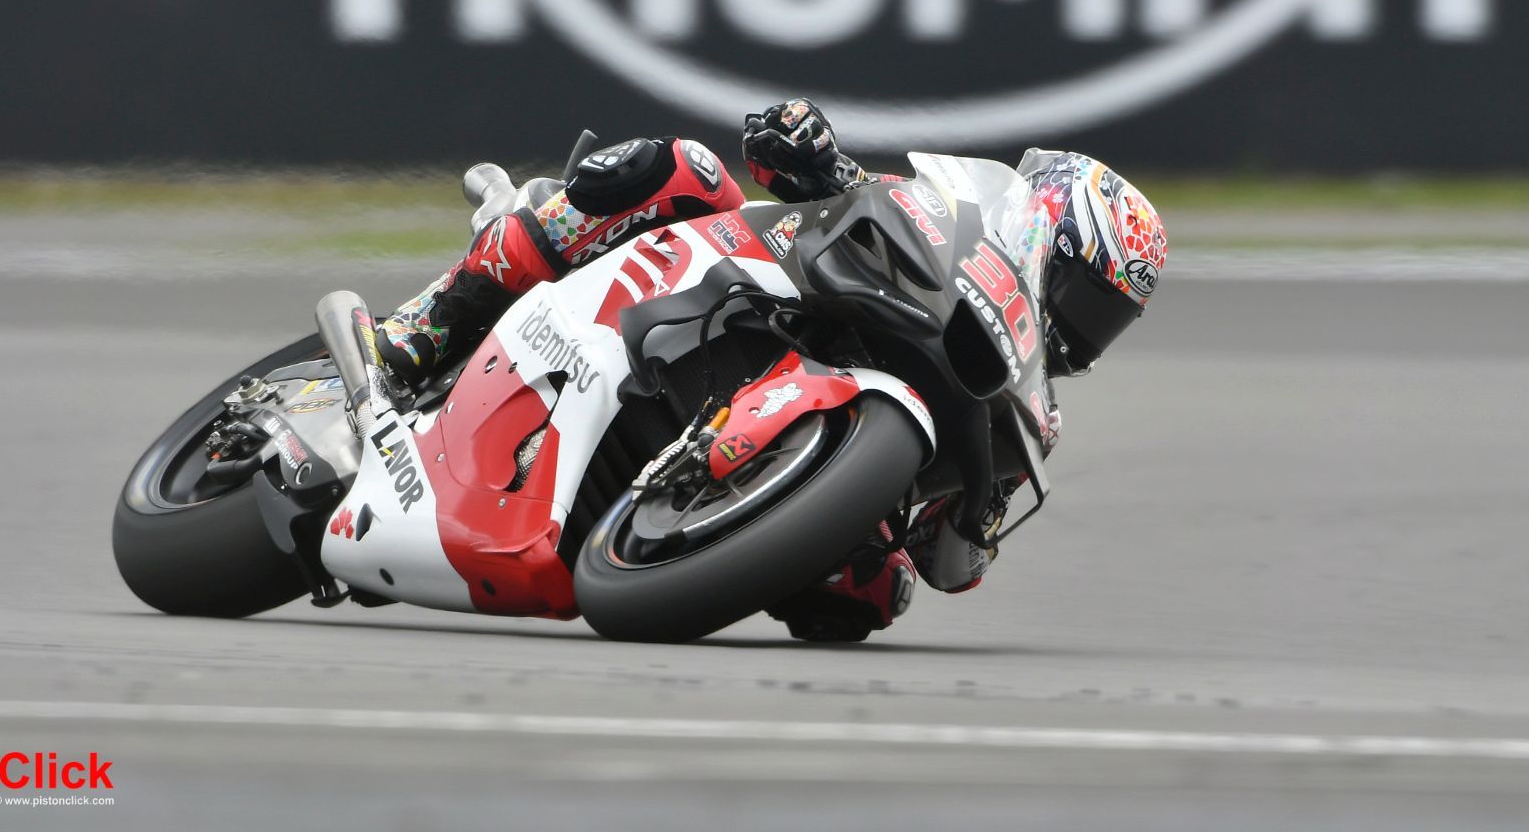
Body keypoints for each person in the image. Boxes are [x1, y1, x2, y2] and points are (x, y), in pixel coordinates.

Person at [376, 99, 1167, 641]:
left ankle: (682, 526)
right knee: (680, 168)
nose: (1083, 328)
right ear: (1043, 232)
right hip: (718, 295)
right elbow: (793, 169)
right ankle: (426, 328)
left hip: (794, 466)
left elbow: (946, 568)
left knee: (868, 598)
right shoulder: (931, 218)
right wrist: (806, 146)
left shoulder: (1029, 413)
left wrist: (972, 523)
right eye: (1082, 295)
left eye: (1107, 319)